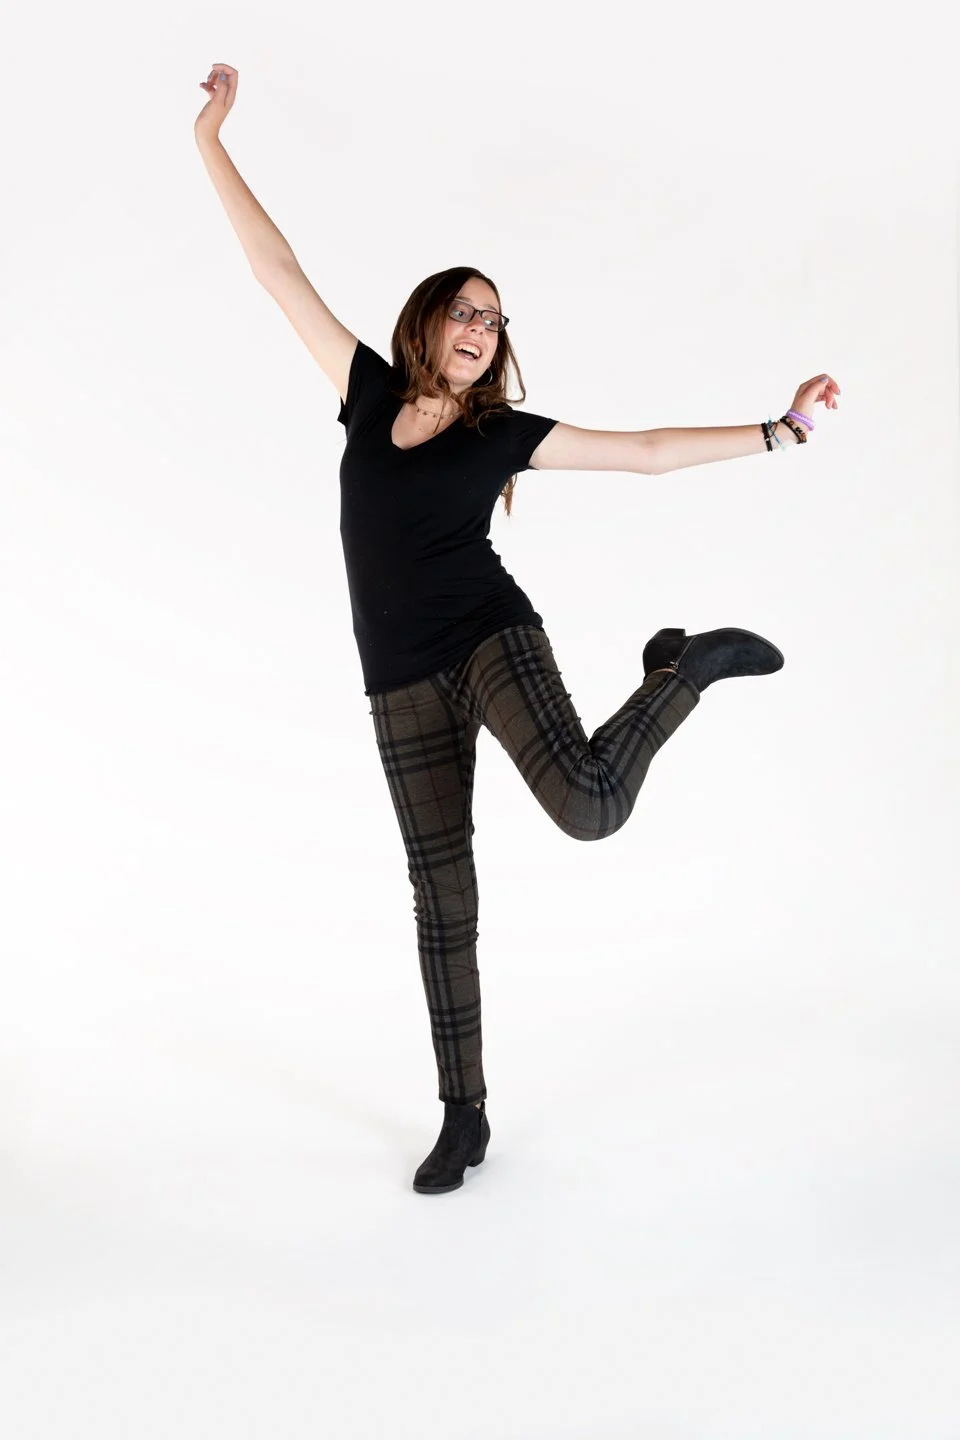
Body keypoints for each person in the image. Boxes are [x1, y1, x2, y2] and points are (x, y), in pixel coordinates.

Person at [195, 64, 841, 1196]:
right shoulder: (362, 390)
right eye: (467, 310)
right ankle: (464, 1116)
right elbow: (272, 269)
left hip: (489, 636)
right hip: (397, 680)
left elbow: (641, 453)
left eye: (496, 321)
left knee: (590, 807)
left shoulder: (507, 437)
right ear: (430, 318)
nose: (482, 331)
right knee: (441, 895)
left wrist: (777, 430)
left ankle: (683, 669)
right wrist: (211, 136)